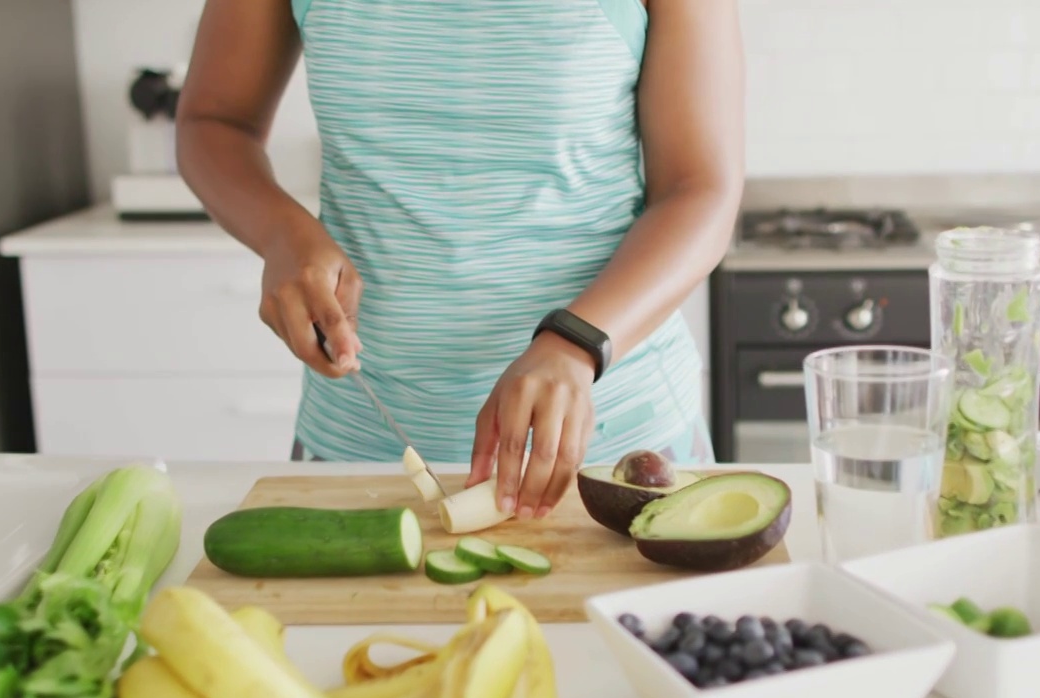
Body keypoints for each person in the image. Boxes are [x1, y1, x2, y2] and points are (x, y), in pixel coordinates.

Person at [175, 0, 744, 521]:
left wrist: (577, 342)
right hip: (358, 443)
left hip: (617, 441)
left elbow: (701, 189)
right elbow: (213, 122)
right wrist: (281, 233)